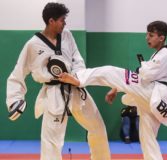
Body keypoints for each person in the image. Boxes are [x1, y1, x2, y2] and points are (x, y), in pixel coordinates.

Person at [58, 20, 167, 160]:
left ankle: (78, 78)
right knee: (148, 139)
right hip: (155, 100)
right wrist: (115, 88)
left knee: (111, 71)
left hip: (157, 95)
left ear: (161, 38)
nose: (147, 38)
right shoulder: (158, 55)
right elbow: (141, 77)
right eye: (147, 34)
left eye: (151, 35)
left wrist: (142, 67)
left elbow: (145, 74)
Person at [6, 2, 111, 160]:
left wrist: (76, 76)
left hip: (76, 88)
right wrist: (15, 99)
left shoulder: (67, 34)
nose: (65, 23)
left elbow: (77, 58)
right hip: (54, 94)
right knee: (51, 142)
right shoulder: (33, 45)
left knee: (98, 128)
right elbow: (18, 72)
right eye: (62, 20)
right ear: (51, 21)